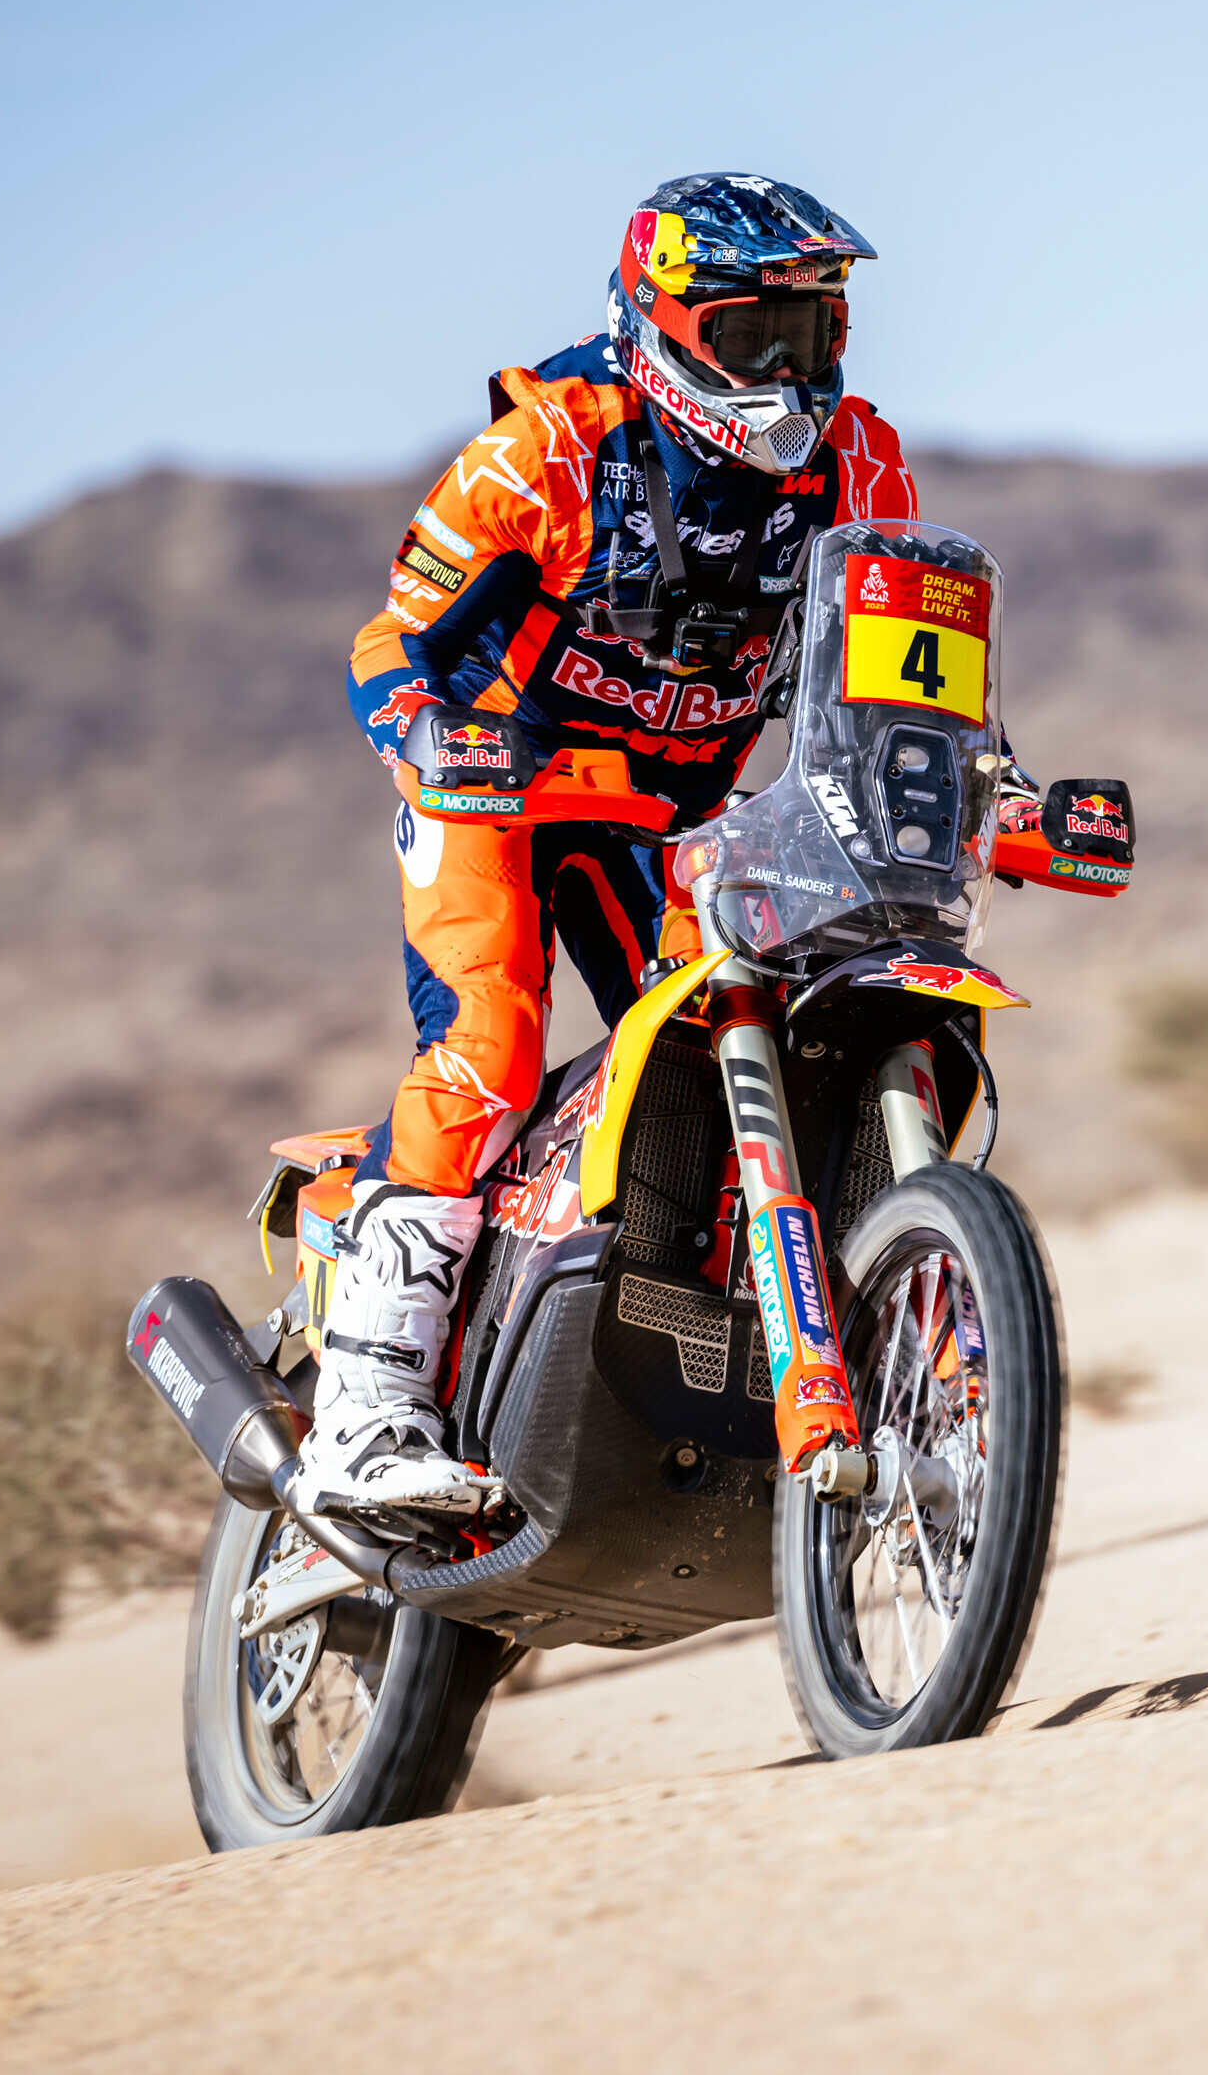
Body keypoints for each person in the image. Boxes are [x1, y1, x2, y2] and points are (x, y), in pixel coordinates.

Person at [307, 174, 923, 1514]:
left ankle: (694, 1355)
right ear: (658, 321)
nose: (784, 372)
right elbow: (389, 639)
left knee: (727, 1047)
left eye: (809, 337)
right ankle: (366, 1410)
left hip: (675, 817)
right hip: (498, 794)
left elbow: (899, 679)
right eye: (749, 337)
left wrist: (982, 780)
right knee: (488, 1046)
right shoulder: (552, 446)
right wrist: (423, 735)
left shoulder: (861, 465)